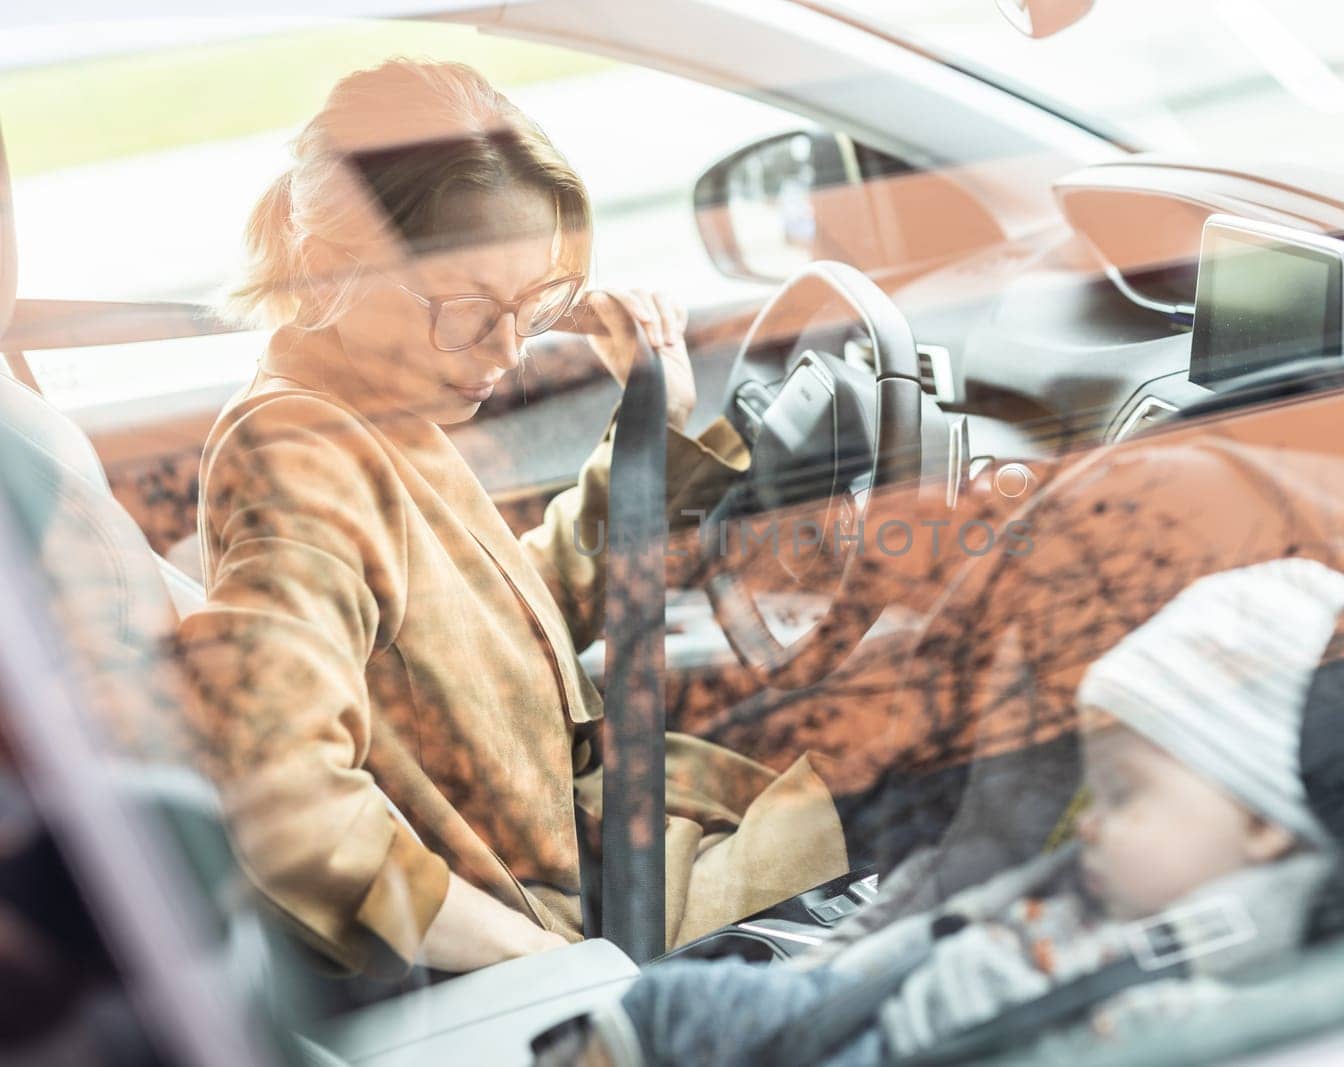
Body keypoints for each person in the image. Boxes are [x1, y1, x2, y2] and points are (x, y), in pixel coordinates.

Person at [174, 59, 847, 979]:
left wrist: (652, 430)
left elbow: (508, 624)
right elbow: (283, 803)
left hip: (629, 849)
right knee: (970, 765)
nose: (505, 353)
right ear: (333, 267)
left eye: (532, 311)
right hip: (606, 920)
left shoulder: (380, 411)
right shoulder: (299, 455)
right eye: (468, 310)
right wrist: (538, 965)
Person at [539, 557, 1344, 1065]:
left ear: (1264, 820)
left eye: (1124, 794)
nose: (1090, 825)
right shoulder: (1081, 894)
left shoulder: (1198, 1015)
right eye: (1091, 795)